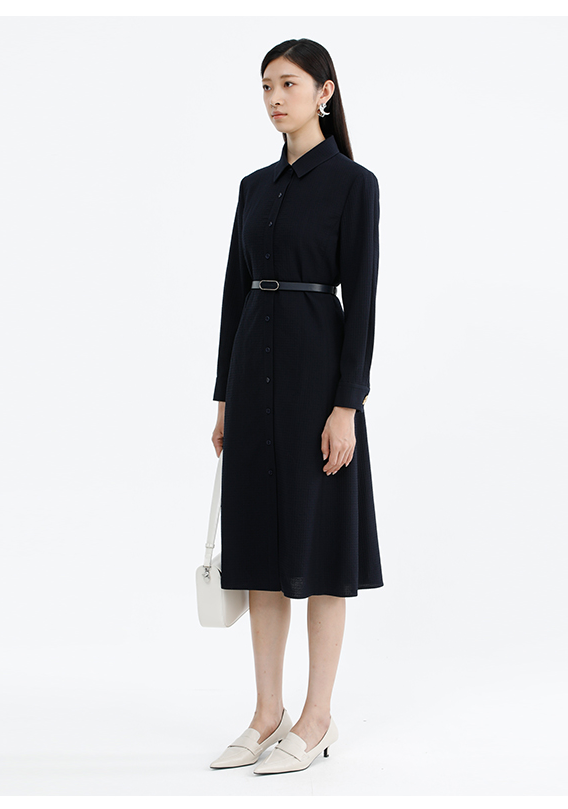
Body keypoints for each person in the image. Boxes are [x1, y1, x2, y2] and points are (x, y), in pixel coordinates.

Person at [209, 38, 383, 775]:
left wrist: (347, 405)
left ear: (324, 92)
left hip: (318, 382)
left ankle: (317, 717)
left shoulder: (353, 184)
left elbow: (363, 301)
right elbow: (233, 293)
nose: (275, 98)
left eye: (288, 84)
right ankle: (266, 712)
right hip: (252, 378)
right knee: (259, 554)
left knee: (322, 549)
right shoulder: (253, 187)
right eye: (265, 87)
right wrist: (223, 395)